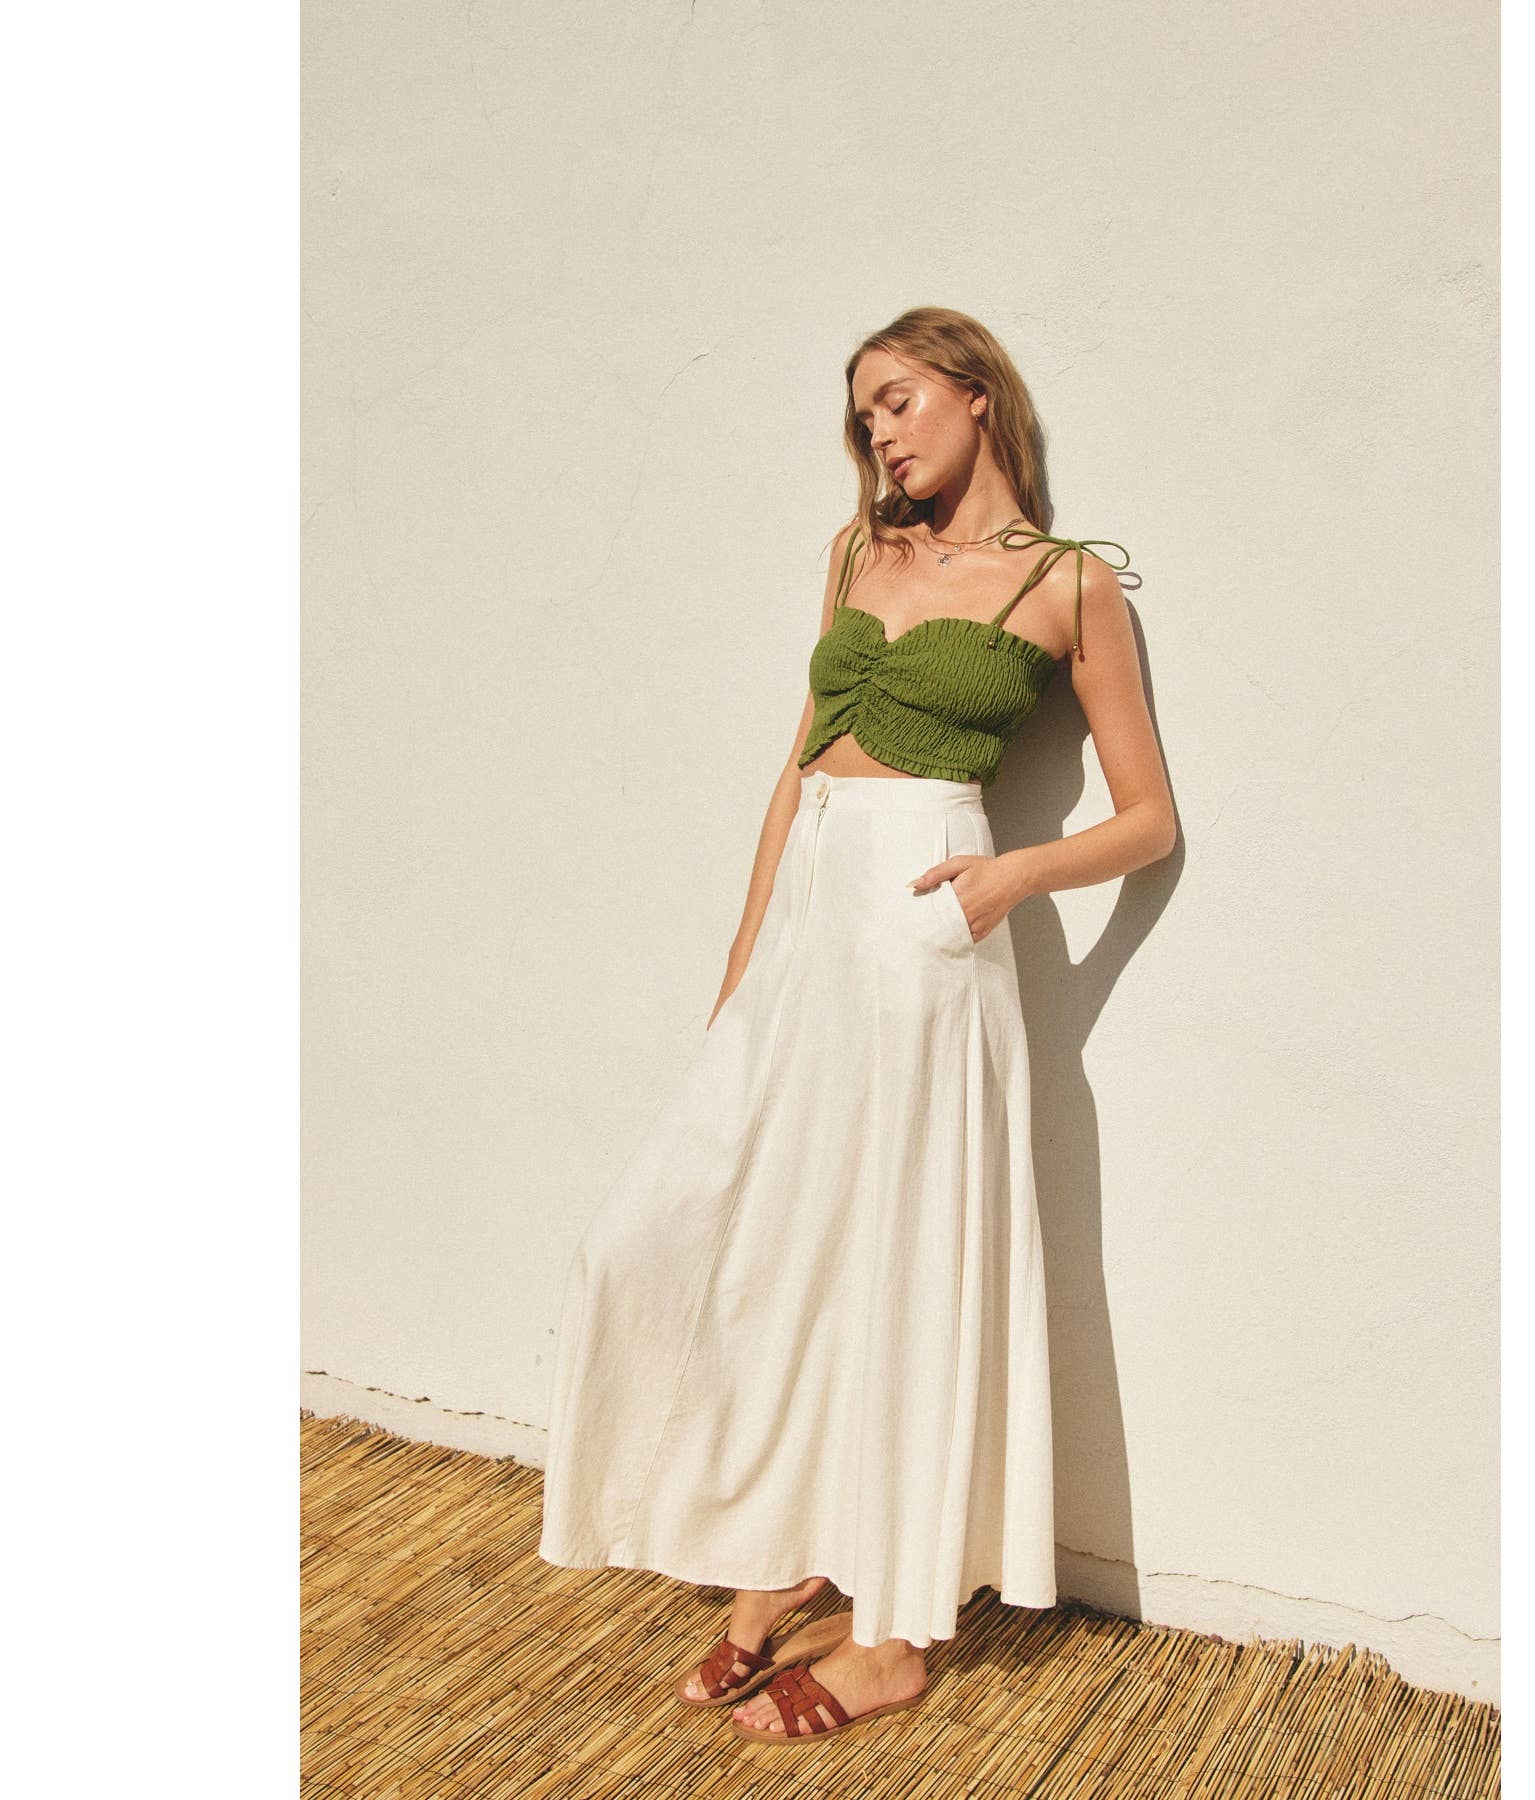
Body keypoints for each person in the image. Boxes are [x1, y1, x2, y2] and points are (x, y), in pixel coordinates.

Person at [537, 305, 1178, 1746]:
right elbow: (799, 763)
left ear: (975, 393)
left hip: (928, 927)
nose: (880, 432)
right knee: (713, 1237)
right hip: (811, 924)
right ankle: (782, 1554)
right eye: (864, 413)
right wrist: (746, 949)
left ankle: (889, 1635)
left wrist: (1014, 874)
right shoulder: (854, 554)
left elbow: (1149, 820)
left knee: (899, 1257)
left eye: (898, 399)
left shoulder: (1072, 584)